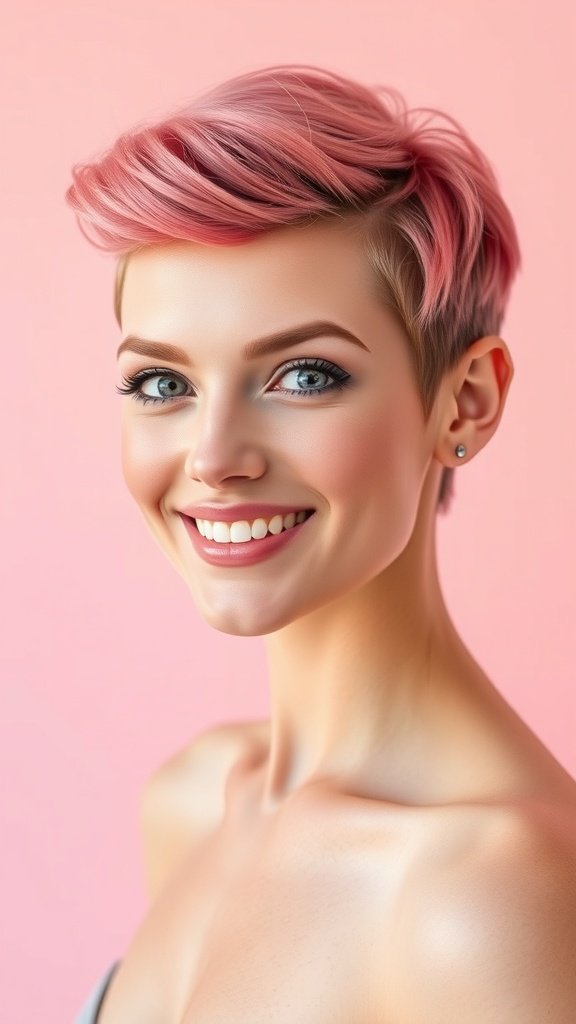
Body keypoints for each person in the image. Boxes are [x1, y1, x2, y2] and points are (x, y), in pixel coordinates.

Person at [66, 65, 576, 1023]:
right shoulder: (192, 802)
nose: (214, 458)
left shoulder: (493, 898)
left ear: (465, 402)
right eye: (162, 385)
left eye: (303, 376)